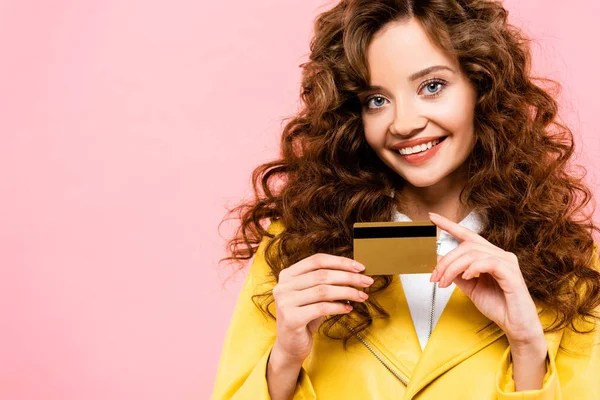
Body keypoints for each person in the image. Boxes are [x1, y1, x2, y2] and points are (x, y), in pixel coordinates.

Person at [212, 0, 600, 398]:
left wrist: (528, 351)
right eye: (376, 100)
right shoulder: (295, 252)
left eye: (432, 87)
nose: (404, 123)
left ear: (480, 87)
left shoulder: (570, 263)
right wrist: (283, 363)